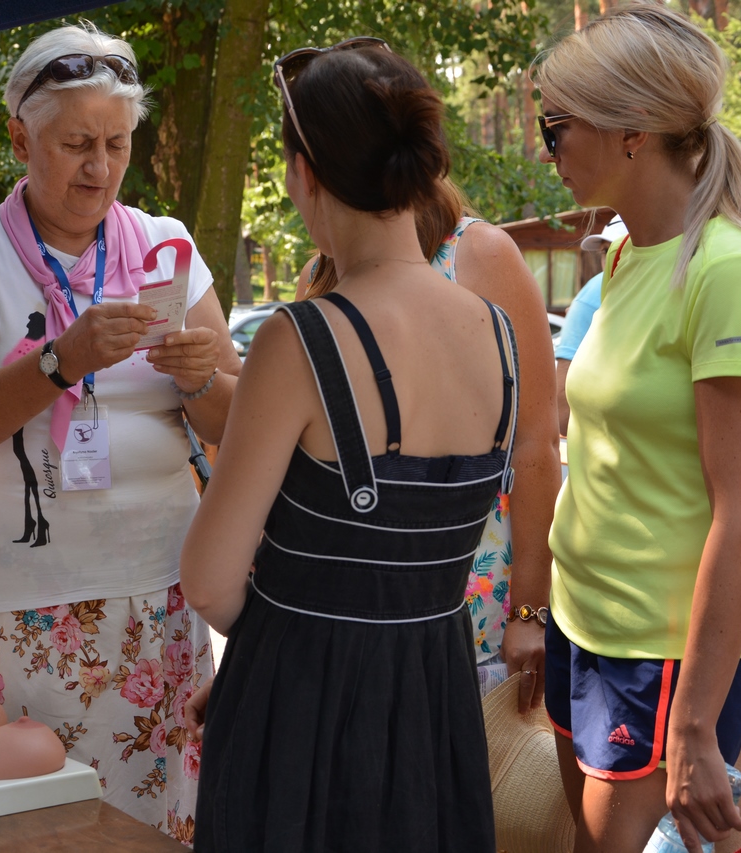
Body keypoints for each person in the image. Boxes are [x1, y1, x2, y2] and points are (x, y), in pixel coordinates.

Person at [0, 24, 241, 842]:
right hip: (28, 599)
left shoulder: (167, 248)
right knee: (35, 821)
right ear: (21, 137)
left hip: (159, 594)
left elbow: (238, 423)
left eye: (117, 144)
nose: (100, 169)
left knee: (152, 821)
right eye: (76, 144)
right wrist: (61, 360)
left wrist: (199, 374)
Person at [180, 39, 516, 851]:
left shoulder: (302, 337)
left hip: (299, 705)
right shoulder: (499, 331)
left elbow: (209, 577)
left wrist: (279, 640)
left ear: (305, 172)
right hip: (437, 697)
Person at [533, 5, 741, 851]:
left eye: (555, 127)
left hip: (659, 652)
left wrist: (693, 724)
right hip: (583, 621)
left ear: (633, 132)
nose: (546, 151)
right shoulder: (627, 256)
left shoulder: (728, 272)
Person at [294, 189, 560, 713]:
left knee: (458, 788)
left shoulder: (478, 253)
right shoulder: (321, 272)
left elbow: (535, 441)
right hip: (342, 604)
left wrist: (529, 612)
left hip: (463, 604)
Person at [555, 215, 627, 435]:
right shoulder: (595, 292)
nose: (612, 260)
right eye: (606, 252)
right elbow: (562, 411)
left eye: (623, 250)